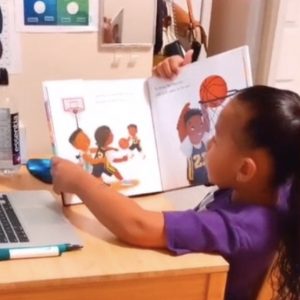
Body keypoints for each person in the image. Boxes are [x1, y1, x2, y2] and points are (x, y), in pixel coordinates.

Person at [51, 82, 300, 299]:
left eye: (217, 137)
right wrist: (172, 78)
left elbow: (137, 225)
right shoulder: (275, 185)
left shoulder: (238, 228)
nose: (208, 141)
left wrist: (80, 181)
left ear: (245, 170)